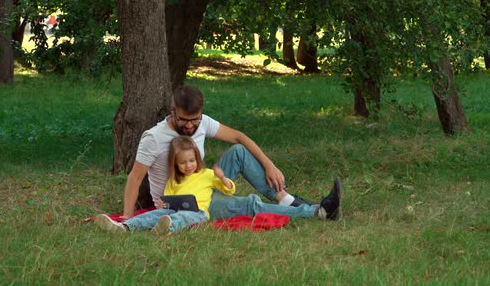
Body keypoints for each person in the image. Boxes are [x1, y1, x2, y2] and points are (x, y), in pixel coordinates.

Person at [120, 85, 317, 221]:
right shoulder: (153, 138)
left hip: (204, 184)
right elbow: (135, 178)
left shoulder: (203, 122)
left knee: (239, 151)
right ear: (173, 111)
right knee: (249, 204)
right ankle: (314, 212)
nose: (190, 126)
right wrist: (127, 218)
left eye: (194, 120)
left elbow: (239, 137)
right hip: (185, 204)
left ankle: (284, 199)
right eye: (184, 120)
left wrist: (269, 165)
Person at [95, 136, 341, 234]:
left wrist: (223, 178)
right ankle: (125, 227)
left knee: (250, 203)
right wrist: (161, 202)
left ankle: (313, 211)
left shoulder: (205, 173)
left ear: (197, 160)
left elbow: (227, 188)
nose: (189, 166)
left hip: (205, 208)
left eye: (192, 161)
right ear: (176, 165)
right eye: (184, 163)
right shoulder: (173, 181)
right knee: (161, 213)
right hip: (178, 209)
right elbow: (167, 198)